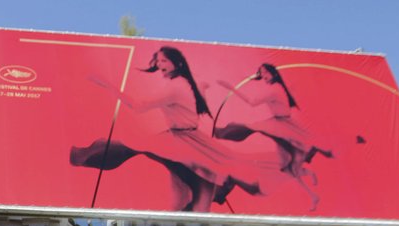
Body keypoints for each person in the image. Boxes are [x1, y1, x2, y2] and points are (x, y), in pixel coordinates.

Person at [70, 46, 269, 212]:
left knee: (135, 147)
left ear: (177, 63)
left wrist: (106, 84)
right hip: (185, 138)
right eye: (158, 61)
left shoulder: (176, 86)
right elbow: (197, 93)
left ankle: (84, 155)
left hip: (185, 140)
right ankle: (86, 154)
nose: (159, 65)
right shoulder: (185, 83)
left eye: (163, 61)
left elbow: (139, 106)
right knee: (202, 184)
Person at [215, 63, 334, 210]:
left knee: (251, 129)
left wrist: (230, 87)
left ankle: (310, 170)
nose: (264, 76)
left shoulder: (274, 90)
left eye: (266, 73)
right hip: (280, 125)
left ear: (274, 74)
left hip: (283, 126)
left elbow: (252, 102)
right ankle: (311, 188)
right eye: (261, 73)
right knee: (288, 166)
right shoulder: (277, 88)